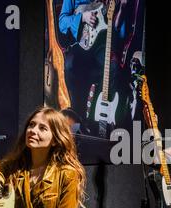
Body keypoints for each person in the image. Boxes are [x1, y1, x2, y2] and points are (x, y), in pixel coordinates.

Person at [58, 0, 139, 137]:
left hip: (103, 43)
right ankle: (77, 118)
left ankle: (98, 122)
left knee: (113, 67)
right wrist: (82, 17)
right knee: (70, 65)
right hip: (81, 43)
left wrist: (122, 8)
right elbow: (62, 22)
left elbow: (121, 31)